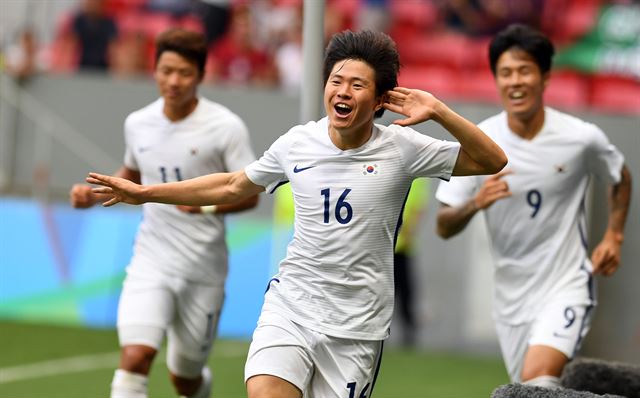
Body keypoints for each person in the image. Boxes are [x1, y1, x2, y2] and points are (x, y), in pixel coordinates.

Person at [85, 30, 507, 398]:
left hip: (357, 328)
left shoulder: (403, 147)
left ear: (380, 100)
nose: (342, 91)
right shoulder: (297, 143)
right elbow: (234, 185)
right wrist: (145, 193)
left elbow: (492, 159)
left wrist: (438, 110)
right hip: (292, 307)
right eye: (336, 80)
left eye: (357, 85)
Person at [434, 24, 632, 388]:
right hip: (511, 297)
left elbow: (620, 176)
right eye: (506, 73)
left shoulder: (580, 137)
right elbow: (443, 225)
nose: (515, 82)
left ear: (545, 78)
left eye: (525, 70)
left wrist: (614, 236)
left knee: (537, 382)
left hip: (566, 283)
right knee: (531, 390)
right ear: (496, 80)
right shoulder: (482, 142)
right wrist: (475, 203)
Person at [69, 28, 259, 398]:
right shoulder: (138, 123)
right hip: (150, 260)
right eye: (166, 70)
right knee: (136, 357)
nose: (173, 81)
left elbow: (250, 195)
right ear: (154, 70)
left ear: (201, 76)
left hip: (203, 269)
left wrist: (204, 205)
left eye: (184, 73)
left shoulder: (225, 127)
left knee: (184, 379)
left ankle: (197, 386)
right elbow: (134, 174)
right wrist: (93, 195)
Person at [393, 178, 430, 347]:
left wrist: (410, 232)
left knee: (405, 290)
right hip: (381, 245)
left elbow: (419, 206)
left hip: (401, 245)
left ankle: (409, 331)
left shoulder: (417, 173)